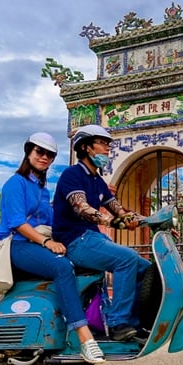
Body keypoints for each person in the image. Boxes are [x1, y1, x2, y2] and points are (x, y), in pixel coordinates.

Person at [0, 132, 105, 364]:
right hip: (17, 245)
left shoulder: (43, 190)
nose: (44, 157)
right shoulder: (16, 183)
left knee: (91, 265)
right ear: (29, 152)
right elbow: (17, 223)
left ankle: (96, 322)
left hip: (36, 244)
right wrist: (46, 242)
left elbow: (54, 222)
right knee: (62, 267)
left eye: (50, 155)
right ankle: (85, 339)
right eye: (39, 152)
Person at [52, 124, 150, 342]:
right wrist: (112, 221)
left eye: (108, 144)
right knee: (127, 259)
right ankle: (117, 323)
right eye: (102, 143)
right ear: (86, 147)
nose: (107, 149)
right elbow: (82, 208)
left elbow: (120, 209)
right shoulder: (72, 175)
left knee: (148, 269)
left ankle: (134, 322)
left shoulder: (98, 181)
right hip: (75, 241)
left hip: (93, 239)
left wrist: (152, 221)